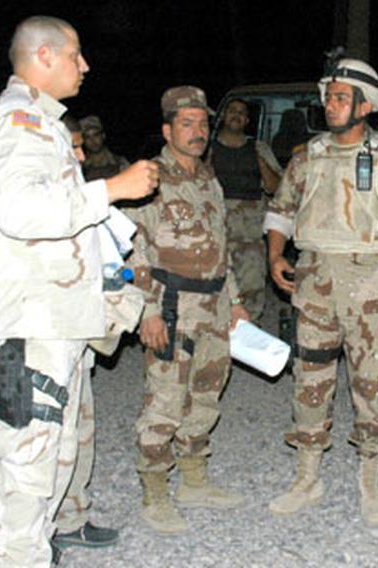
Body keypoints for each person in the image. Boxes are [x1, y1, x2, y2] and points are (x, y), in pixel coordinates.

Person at [0, 15, 157, 567]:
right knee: (29, 459)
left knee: (54, 454)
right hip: (28, 324)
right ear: (44, 56)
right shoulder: (17, 122)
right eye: (76, 55)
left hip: (51, 317)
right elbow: (22, 211)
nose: (85, 66)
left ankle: (36, 549)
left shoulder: (40, 124)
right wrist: (111, 189)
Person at [263, 57, 378, 527]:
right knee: (310, 380)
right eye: (329, 95)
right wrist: (275, 255)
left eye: (342, 97)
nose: (331, 103)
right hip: (314, 282)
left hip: (370, 284)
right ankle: (308, 476)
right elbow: (280, 211)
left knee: (373, 382)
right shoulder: (307, 157)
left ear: (365, 106)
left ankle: (370, 476)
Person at [128, 85, 250, 534]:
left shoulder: (208, 179)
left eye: (202, 124)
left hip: (215, 306)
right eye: (187, 124)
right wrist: (147, 311)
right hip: (172, 305)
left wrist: (235, 300)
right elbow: (132, 248)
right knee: (165, 399)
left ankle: (194, 479)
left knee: (206, 394)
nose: (197, 132)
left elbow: (221, 245)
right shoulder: (148, 178)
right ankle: (155, 490)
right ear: (167, 129)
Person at [48, 115, 122, 550]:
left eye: (83, 145)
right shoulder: (37, 197)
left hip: (78, 325)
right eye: (72, 147)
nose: (80, 154)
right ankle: (36, 534)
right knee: (44, 439)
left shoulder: (74, 191)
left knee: (79, 428)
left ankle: (72, 516)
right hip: (45, 330)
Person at [210, 98, 283, 323]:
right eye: (232, 111)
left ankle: (248, 341)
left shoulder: (259, 148)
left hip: (249, 234)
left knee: (251, 290)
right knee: (213, 287)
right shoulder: (207, 149)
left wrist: (258, 161)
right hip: (214, 230)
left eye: (241, 113)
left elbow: (275, 187)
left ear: (247, 120)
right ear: (223, 116)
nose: (236, 115)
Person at [79, 114, 129, 181]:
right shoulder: (80, 167)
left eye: (96, 135)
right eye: (87, 137)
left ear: (103, 136)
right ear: (83, 141)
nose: (92, 140)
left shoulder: (120, 162)